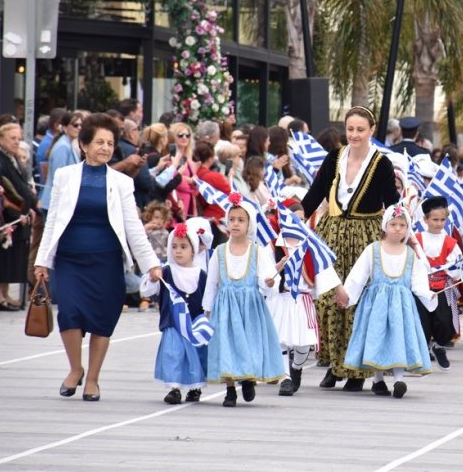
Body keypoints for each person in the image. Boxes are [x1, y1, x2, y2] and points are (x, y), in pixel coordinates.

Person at [34, 113, 162, 401]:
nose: (105, 148)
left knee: (102, 319)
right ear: (83, 145)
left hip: (106, 261)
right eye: (99, 142)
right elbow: (52, 220)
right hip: (68, 259)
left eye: (110, 143)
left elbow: (133, 229)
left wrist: (152, 264)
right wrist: (42, 261)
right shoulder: (65, 177)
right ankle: (75, 369)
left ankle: (92, 378)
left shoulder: (121, 182)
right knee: (69, 313)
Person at [301, 106, 400, 391]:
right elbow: (316, 192)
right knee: (330, 298)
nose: (354, 134)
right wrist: (298, 216)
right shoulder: (335, 157)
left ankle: (356, 370)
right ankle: (334, 364)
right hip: (331, 233)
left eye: (360, 129)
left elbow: (391, 200)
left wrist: (399, 226)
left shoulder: (381, 163)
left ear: (371, 131)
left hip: (365, 235)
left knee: (357, 300)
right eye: (350, 129)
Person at [340, 204, 436, 398]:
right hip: (376, 304)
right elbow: (358, 275)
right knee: (377, 338)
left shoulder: (411, 254)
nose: (398, 228)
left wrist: (427, 294)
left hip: (402, 306)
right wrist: (348, 294)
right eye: (393, 224)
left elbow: (418, 279)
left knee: (398, 339)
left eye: (402, 224)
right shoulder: (373, 250)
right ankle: (378, 379)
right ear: (385, 226)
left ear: (407, 228)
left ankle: (398, 380)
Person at [201, 194, 287, 407]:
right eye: (232, 219)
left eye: (241, 220)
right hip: (226, 309)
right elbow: (212, 282)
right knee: (227, 345)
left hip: (250, 308)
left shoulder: (257, 251)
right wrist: (207, 309)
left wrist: (268, 283)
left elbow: (267, 280)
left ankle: (248, 378)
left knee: (248, 344)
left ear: (249, 224)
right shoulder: (220, 252)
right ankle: (230, 389)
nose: (236, 224)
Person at [267, 200, 338, 396]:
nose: (299, 223)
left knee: (302, 343)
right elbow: (264, 272)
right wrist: (273, 273)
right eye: (294, 219)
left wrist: (338, 289)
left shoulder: (309, 243)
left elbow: (324, 267)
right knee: (280, 340)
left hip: (303, 299)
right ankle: (285, 378)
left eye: (302, 219)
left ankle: (296, 368)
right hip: (281, 298)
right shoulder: (274, 245)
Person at [140, 223, 208, 404]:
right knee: (173, 354)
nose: (178, 251)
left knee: (195, 357)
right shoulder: (166, 271)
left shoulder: (201, 275)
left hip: (194, 325)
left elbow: (208, 298)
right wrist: (153, 277)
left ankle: (195, 388)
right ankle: (175, 388)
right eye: (175, 247)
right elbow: (147, 290)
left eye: (184, 247)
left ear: (193, 250)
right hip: (173, 324)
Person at [415, 196, 463, 371]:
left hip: (443, 289)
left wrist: (461, 261)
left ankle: (439, 346)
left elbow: (456, 272)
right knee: (422, 321)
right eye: (435, 219)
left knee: (444, 321)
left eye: (442, 220)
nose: (439, 223)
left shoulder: (450, 242)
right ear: (425, 219)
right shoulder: (417, 240)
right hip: (421, 289)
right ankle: (423, 352)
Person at [0, 123, 39, 310]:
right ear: (1, 138)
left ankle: (5, 293)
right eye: (12, 138)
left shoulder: (12, 157)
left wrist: (28, 206)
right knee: (2, 257)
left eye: (19, 138)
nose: (17, 142)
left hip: (20, 214)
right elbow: (4, 187)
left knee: (13, 258)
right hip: (7, 215)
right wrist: (16, 210)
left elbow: (21, 184)